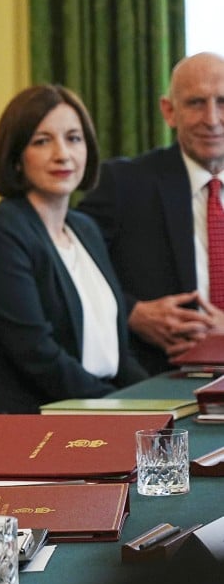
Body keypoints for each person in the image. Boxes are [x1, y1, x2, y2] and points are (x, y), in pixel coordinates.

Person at [0, 85, 147, 413]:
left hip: (97, 406)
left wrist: (154, 397)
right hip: (40, 420)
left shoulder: (84, 228)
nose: (63, 154)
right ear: (16, 157)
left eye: (74, 138)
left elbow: (118, 349)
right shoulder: (0, 234)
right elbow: (37, 356)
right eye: (42, 141)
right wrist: (121, 406)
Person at [78, 51, 224, 375]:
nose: (212, 119)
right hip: (157, 378)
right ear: (169, 111)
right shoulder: (123, 184)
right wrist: (130, 312)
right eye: (196, 103)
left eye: (223, 102)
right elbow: (69, 266)